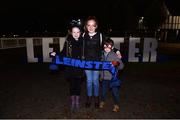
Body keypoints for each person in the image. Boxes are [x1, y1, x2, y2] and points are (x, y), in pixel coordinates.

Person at [82, 16, 122, 108]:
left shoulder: (100, 36)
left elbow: (109, 45)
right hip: (87, 63)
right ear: (86, 26)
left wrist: (116, 50)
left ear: (96, 26)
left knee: (95, 81)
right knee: (89, 81)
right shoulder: (83, 35)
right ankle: (88, 98)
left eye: (93, 25)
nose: (91, 27)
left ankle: (96, 98)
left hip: (97, 63)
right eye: (89, 25)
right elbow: (77, 45)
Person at [51, 24, 84, 112]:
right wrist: (56, 54)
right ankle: (73, 101)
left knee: (78, 85)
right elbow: (63, 52)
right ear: (71, 33)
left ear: (80, 33)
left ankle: (77, 101)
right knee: (72, 85)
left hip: (79, 67)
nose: (76, 34)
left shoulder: (83, 42)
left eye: (78, 32)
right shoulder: (68, 42)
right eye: (74, 32)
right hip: (70, 68)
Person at [99, 38, 124, 112]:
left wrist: (117, 64)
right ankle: (102, 101)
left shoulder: (114, 55)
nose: (106, 48)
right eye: (105, 46)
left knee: (115, 92)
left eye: (109, 47)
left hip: (113, 78)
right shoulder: (101, 54)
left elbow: (122, 66)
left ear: (112, 47)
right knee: (103, 92)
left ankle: (116, 105)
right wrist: (100, 76)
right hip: (104, 78)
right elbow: (99, 66)